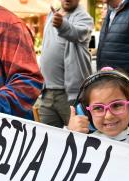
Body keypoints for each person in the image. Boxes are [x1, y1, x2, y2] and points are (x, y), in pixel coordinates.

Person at [38, 0, 94, 128]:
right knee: (49, 139)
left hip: (70, 96)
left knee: (79, 139)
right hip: (47, 92)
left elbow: (77, 33)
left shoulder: (84, 18)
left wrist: (62, 24)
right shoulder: (51, 15)